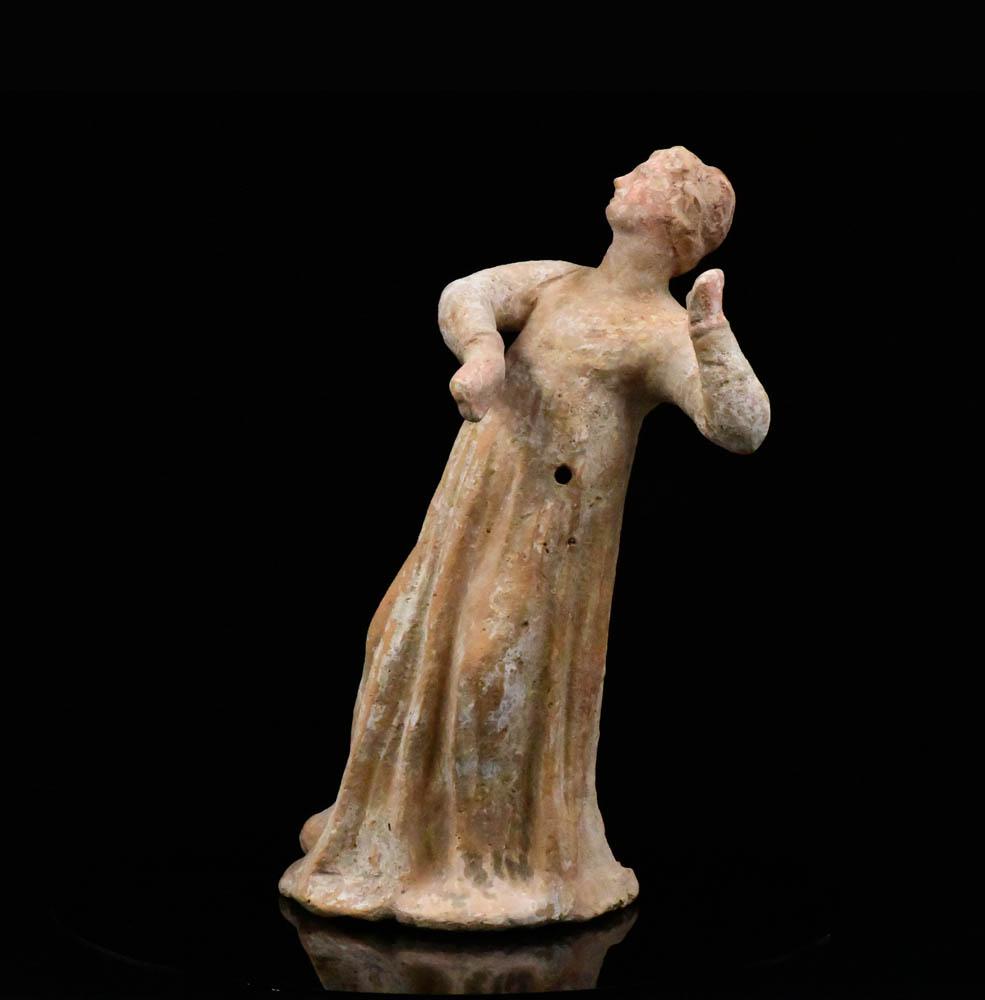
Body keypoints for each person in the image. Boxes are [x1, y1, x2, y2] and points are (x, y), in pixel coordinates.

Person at [280, 146, 771, 929]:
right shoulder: (558, 282)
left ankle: (493, 862)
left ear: (677, 217)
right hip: (474, 506)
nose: (620, 179)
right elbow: (466, 292)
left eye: (642, 173)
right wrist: (483, 351)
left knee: (491, 667)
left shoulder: (661, 330)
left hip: (551, 534)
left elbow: (740, 427)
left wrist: (711, 333)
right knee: (394, 638)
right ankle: (380, 828)